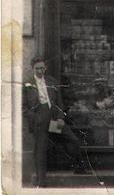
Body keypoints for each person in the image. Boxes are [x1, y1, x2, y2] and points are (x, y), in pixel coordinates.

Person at [23, 56, 86, 187]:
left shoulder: (52, 81)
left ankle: (79, 166)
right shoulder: (26, 83)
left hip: (53, 117)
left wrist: (60, 118)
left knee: (71, 139)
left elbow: (59, 102)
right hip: (39, 118)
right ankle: (42, 181)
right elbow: (22, 106)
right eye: (37, 68)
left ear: (45, 68)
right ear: (32, 68)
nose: (40, 71)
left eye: (42, 68)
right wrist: (33, 117)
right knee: (41, 149)